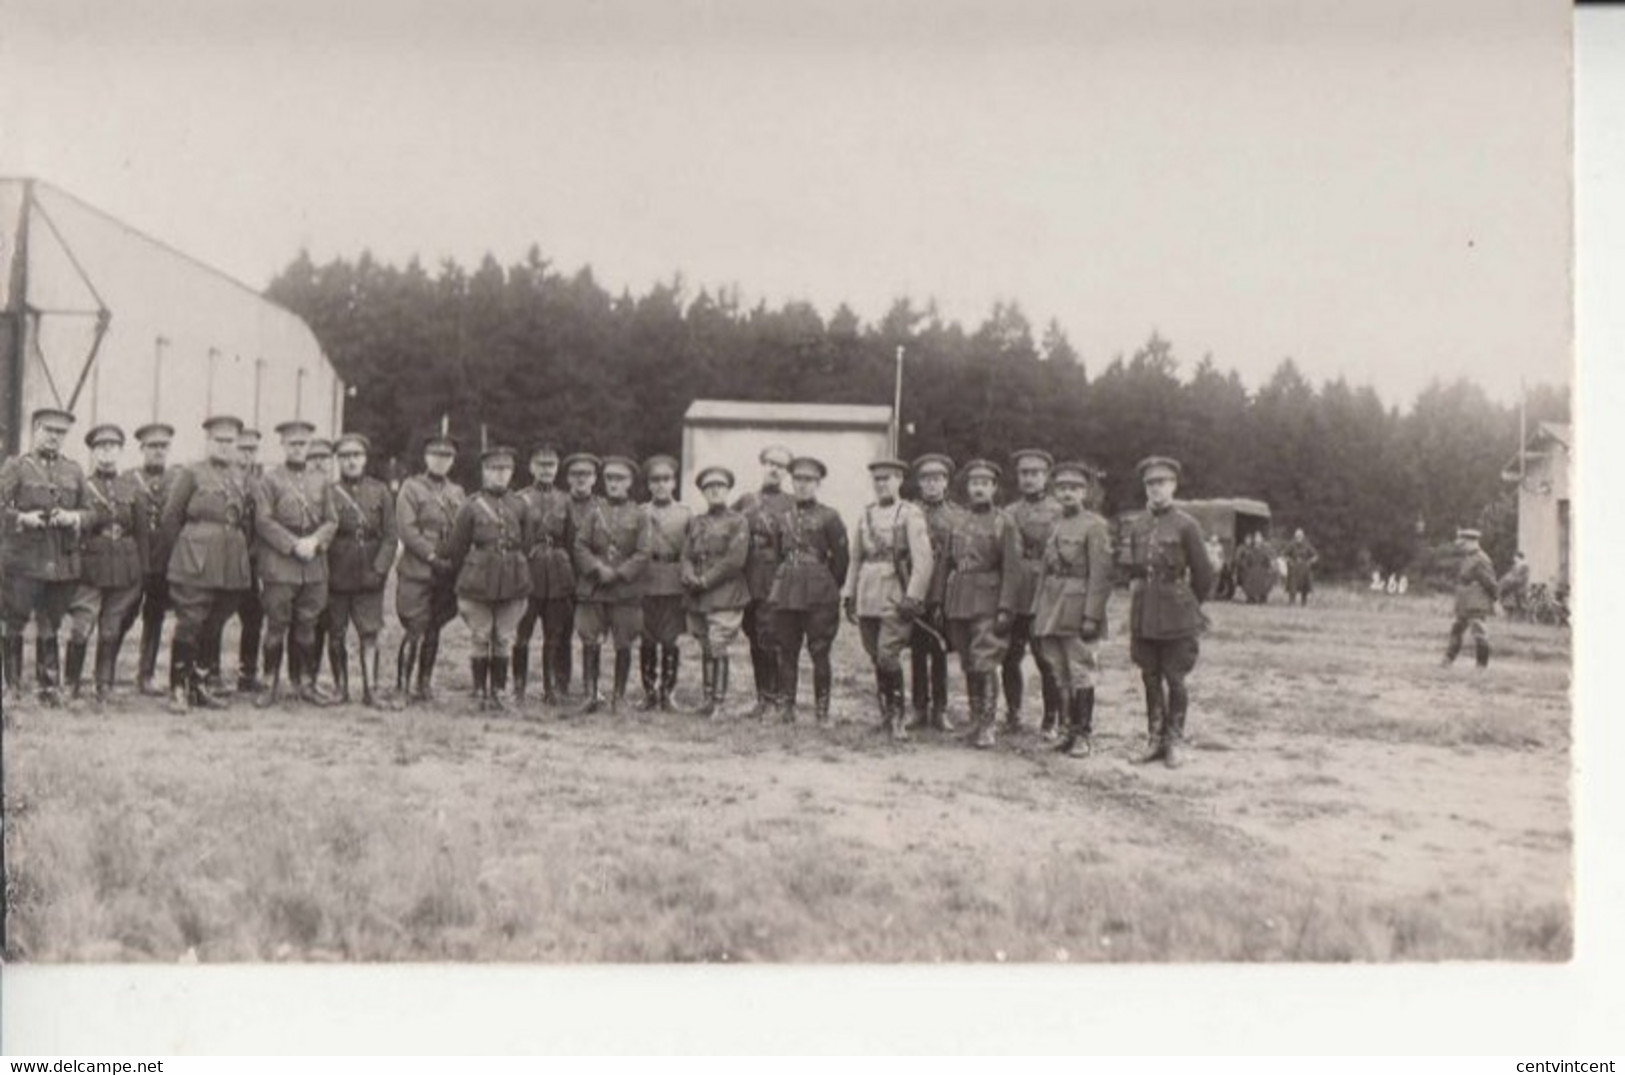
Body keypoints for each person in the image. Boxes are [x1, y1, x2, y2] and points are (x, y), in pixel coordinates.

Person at [156, 415, 255, 713]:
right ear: (208, 441)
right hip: (195, 560)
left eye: (230, 442)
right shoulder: (192, 473)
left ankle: (198, 685)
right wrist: (184, 555)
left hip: (229, 562)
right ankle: (177, 689)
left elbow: (246, 520)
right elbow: (171, 517)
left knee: (216, 620)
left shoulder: (240, 477)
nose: (225, 447)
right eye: (219, 441)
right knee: (190, 621)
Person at [1124, 456, 1215, 769]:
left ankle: (1174, 739)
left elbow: (1203, 575)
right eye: (1150, 483)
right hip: (1145, 610)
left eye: (1162, 482)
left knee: (1175, 678)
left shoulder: (1187, 525)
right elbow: (1133, 570)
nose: (1156, 489)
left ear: (1173, 485)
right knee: (1149, 676)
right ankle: (1154, 739)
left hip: (1177, 611)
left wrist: (1188, 604)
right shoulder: (1137, 525)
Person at [0, 407, 90, 706]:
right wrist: (22, 519)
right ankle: (12, 687)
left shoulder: (74, 470)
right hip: (24, 559)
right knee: (15, 620)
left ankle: (48, 687)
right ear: (35, 430)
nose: (54, 437)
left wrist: (73, 517)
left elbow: (91, 513)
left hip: (60, 561)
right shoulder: (17, 467)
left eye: (60, 432)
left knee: (50, 621)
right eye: (48, 430)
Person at [845, 457, 935, 741]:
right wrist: (849, 593)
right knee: (875, 655)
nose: (882, 484)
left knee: (888, 654)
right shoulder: (865, 515)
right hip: (868, 593)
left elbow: (924, 560)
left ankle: (897, 718)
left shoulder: (909, 514)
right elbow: (856, 558)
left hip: (895, 593)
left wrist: (914, 596)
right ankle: (885, 715)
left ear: (899, 481)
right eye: (877, 479)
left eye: (887, 478)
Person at [1031, 461, 1114, 759]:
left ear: (1086, 492)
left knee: (1080, 671)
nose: (1068, 493)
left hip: (1077, 608)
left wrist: (1092, 615)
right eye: (1062, 488)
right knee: (1058, 670)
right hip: (1052, 606)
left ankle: (1083, 735)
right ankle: (1066, 730)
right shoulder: (1056, 525)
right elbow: (1044, 570)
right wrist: (1036, 609)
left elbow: (1101, 576)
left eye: (1075, 488)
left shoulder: (1095, 526)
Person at [253, 420, 338, 707]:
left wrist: (314, 542)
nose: (298, 449)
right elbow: (263, 521)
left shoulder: (322, 480)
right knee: (276, 625)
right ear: (283, 446)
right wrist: (292, 545)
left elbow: (332, 520)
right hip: (280, 563)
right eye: (292, 444)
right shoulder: (270, 480)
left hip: (313, 564)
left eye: (303, 444)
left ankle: (305, 682)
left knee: (308, 625)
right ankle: (269, 683)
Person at [441, 445, 533, 710]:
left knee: (504, 637)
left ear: (512, 472)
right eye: (494, 469)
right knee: (481, 635)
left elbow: (526, 545)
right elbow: (457, 548)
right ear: (484, 471)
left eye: (505, 469)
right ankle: (480, 691)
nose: (500, 475)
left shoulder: (520, 505)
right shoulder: (470, 506)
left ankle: (499, 691)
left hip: (513, 580)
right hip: (477, 581)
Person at [941, 459, 1022, 749]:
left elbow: (1013, 569)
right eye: (974, 483)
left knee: (985, 661)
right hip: (959, 598)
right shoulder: (958, 520)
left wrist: (1006, 608)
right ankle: (975, 719)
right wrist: (941, 600)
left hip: (989, 598)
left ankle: (988, 725)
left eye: (984, 484)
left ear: (994, 488)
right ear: (967, 486)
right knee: (968, 662)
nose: (978, 489)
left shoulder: (1003, 522)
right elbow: (946, 564)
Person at [65, 424, 147, 704]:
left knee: (111, 627)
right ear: (93, 452)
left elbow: (141, 533)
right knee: (82, 625)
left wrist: (142, 572)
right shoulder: (83, 486)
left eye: (112, 447)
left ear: (121, 451)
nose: (106, 453)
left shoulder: (132, 488)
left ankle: (104, 684)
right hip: (91, 567)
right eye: (100, 447)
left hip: (125, 568)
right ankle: (71, 684)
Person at [769, 457, 848, 724]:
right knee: (786, 648)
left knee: (819, 650)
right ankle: (786, 708)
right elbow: (779, 553)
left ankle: (822, 712)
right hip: (788, 589)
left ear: (818, 484)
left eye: (808, 481)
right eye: (798, 480)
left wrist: (827, 587)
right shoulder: (783, 518)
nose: (802, 486)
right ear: (792, 482)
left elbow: (841, 559)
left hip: (819, 592)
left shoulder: (830, 517)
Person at [572, 455, 651, 714]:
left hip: (624, 591)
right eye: (609, 478)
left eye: (620, 479)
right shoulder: (594, 511)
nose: (614, 483)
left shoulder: (640, 515)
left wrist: (617, 573)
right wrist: (597, 568)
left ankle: (619, 697)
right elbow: (580, 545)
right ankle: (590, 694)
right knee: (590, 640)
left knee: (624, 642)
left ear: (630, 482)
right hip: (594, 589)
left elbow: (643, 552)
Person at [326, 433, 399, 707]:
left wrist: (379, 570)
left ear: (365, 459)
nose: (351, 461)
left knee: (369, 633)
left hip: (369, 573)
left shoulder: (380, 491)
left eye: (356, 455)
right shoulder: (329, 492)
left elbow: (391, 536)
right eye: (345, 456)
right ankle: (340, 689)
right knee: (336, 633)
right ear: (338, 461)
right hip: (337, 573)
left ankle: (371, 690)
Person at [395, 433, 466, 702]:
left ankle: (424, 685)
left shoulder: (457, 492)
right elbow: (407, 530)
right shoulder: (411, 488)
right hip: (418, 568)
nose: (441, 461)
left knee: (435, 627)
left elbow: (463, 528)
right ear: (426, 457)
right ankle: (402, 685)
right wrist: (432, 556)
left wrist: (455, 561)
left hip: (447, 571)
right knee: (415, 626)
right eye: (436, 455)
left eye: (447, 456)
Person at [1001, 448, 1064, 737]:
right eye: (1024, 473)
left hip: (1045, 592)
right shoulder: (1009, 512)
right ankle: (1013, 714)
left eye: (1035, 473)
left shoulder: (1058, 511)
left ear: (1046, 477)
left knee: (1045, 657)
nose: (1029, 479)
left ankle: (1052, 717)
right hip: (1014, 592)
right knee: (1009, 655)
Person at [681, 466, 750, 718]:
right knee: (706, 645)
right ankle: (708, 698)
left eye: (720, 487)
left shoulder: (738, 521)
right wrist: (688, 575)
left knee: (719, 644)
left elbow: (735, 560)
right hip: (698, 594)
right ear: (703, 492)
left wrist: (705, 580)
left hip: (725, 593)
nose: (715, 491)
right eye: (709, 488)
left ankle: (720, 703)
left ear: (728, 490)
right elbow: (686, 555)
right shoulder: (696, 522)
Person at [733, 444, 796, 718]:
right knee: (754, 638)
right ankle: (762, 698)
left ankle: (778, 700)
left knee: (772, 639)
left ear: (786, 472)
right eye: (770, 462)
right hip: (748, 580)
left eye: (781, 466)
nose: (774, 469)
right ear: (762, 464)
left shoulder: (792, 504)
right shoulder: (746, 501)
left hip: (777, 581)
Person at [121, 422, 180, 696]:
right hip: (135, 561)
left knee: (154, 618)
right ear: (141, 449)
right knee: (121, 615)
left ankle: (145, 675)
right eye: (152, 446)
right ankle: (105, 674)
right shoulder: (128, 479)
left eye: (163, 447)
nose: (158, 452)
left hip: (164, 563)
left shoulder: (178, 480)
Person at [513, 445, 573, 705]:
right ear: (531, 468)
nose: (546, 470)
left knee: (554, 634)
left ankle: (552, 688)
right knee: (522, 633)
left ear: (557, 469)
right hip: (529, 570)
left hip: (557, 574)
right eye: (541, 465)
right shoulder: (520, 499)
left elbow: (570, 539)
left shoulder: (565, 500)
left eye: (551, 465)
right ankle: (519, 688)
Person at [910, 453, 962, 731]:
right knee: (917, 650)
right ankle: (919, 707)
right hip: (915, 591)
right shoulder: (908, 512)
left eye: (937, 479)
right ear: (919, 483)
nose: (932, 484)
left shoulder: (957, 516)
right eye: (926, 479)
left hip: (942, 592)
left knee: (940, 651)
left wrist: (946, 596)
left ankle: (940, 709)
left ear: (946, 482)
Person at [638, 454, 692, 711]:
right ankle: (649, 692)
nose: (661, 484)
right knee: (647, 638)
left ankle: (667, 694)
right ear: (648, 485)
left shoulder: (685, 514)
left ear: (674, 483)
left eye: (666, 479)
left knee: (670, 639)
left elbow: (692, 550)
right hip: (646, 578)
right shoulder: (640, 513)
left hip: (673, 578)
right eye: (655, 480)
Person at [218, 426, 265, 695]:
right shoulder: (222, 479)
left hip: (251, 559)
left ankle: (247, 674)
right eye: (243, 449)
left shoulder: (259, 483)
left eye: (252, 450)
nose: (247, 455)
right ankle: (209, 672)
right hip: (224, 558)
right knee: (217, 615)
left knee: (254, 616)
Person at [560, 452, 606, 704]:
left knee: (591, 634)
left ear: (594, 478)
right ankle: (560, 686)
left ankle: (591, 687)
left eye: (586, 474)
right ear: (567, 478)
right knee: (561, 633)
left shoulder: (603, 507)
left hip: (592, 580)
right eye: (576, 474)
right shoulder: (560, 504)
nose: (581, 479)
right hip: (563, 579)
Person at [1444, 528, 1497, 670]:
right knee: (1457, 630)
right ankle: (1448, 660)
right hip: (1465, 602)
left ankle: (1481, 665)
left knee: (1479, 633)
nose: (1461, 546)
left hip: (1476, 602)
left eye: (1464, 543)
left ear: (1472, 542)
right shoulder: (1467, 558)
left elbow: (1490, 582)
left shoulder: (1481, 559)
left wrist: (1495, 598)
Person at [1283, 528, 1319, 606]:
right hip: (1294, 568)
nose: (1298, 537)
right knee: (1292, 585)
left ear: (1303, 536)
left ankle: (1304, 602)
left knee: (1305, 585)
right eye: (1297, 536)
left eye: (1300, 536)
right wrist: (1289, 561)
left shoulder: (1307, 545)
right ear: (1295, 536)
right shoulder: (1291, 545)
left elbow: (1315, 555)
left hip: (1304, 568)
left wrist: (1310, 562)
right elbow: (1284, 555)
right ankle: (1291, 601)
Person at [1498, 551, 1531, 619]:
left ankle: (1523, 618)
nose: (1514, 559)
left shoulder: (1524, 567)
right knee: (1515, 603)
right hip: (1515, 587)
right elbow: (1511, 576)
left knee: (1522, 604)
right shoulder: (1517, 566)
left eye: (1515, 557)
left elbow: (1521, 579)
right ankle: (1515, 617)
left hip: (1520, 588)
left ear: (1518, 558)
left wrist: (1510, 581)